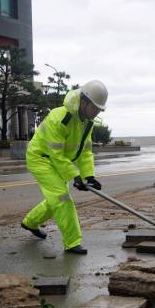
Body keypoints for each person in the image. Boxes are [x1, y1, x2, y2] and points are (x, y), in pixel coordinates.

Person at [21, 80, 108, 254]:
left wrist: (89, 176)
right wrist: (74, 176)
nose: (97, 112)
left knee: (55, 199)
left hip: (57, 162)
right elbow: (56, 154)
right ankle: (73, 242)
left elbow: (85, 152)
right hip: (41, 159)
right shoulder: (60, 118)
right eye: (95, 108)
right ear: (84, 102)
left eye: (100, 109)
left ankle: (30, 222)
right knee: (62, 198)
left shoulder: (87, 122)